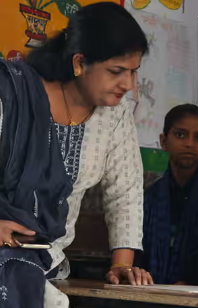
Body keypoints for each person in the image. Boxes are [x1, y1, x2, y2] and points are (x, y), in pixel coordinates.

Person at [0, 2, 153, 307]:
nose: (129, 85)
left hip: (47, 263)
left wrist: (122, 265)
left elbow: (126, 193)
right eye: (116, 71)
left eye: (134, 72)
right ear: (79, 62)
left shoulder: (115, 117)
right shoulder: (14, 93)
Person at [140, 104, 198, 286]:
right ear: (164, 141)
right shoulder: (151, 195)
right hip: (153, 289)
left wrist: (189, 281)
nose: (190, 144)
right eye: (180, 135)